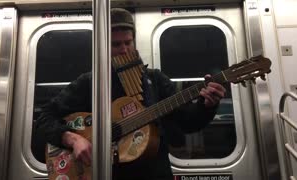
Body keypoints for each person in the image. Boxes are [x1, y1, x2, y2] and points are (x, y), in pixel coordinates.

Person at [35, 8, 226, 180]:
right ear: (103, 47)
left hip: (155, 173)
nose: (124, 50)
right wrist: (73, 139)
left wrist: (207, 105)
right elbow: (45, 118)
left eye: (128, 42)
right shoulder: (90, 83)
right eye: (116, 44)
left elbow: (188, 122)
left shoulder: (155, 80)